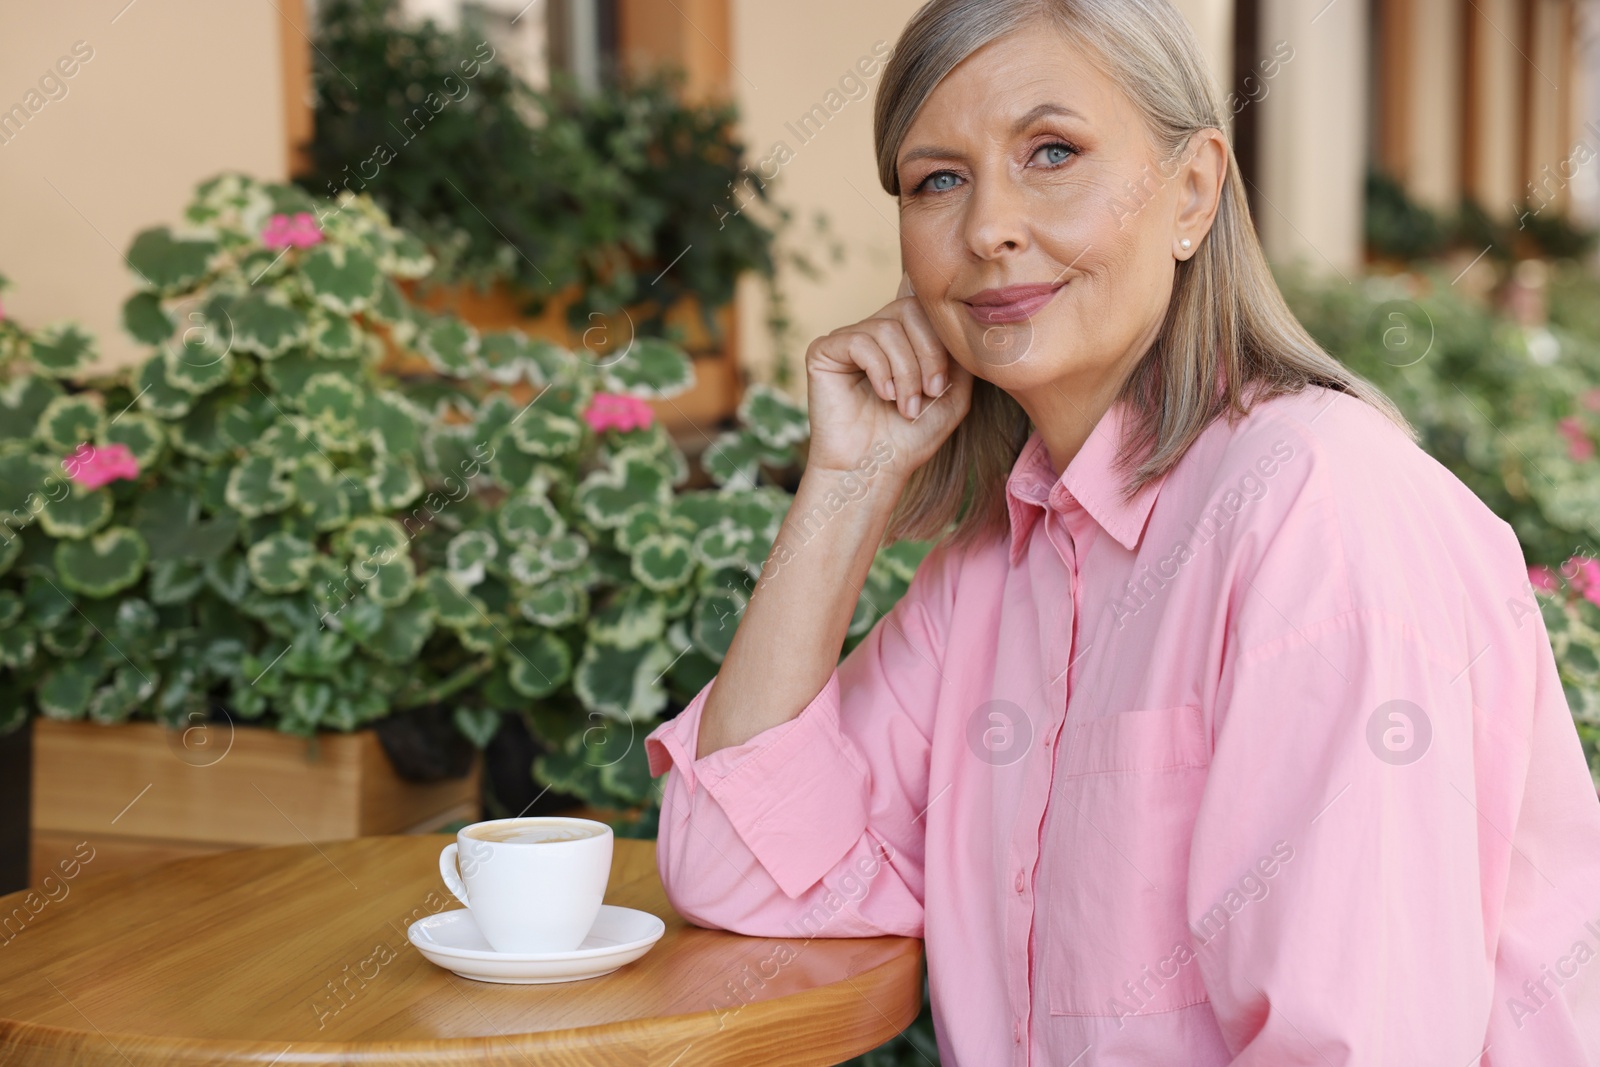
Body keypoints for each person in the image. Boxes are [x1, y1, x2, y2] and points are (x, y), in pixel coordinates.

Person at [644, 0, 1600, 1062]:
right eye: (937, 179)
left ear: (1191, 191)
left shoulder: (1317, 508)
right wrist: (845, 484)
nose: (987, 227)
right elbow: (737, 867)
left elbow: (1356, 1041)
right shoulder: (996, 565)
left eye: (1051, 152)